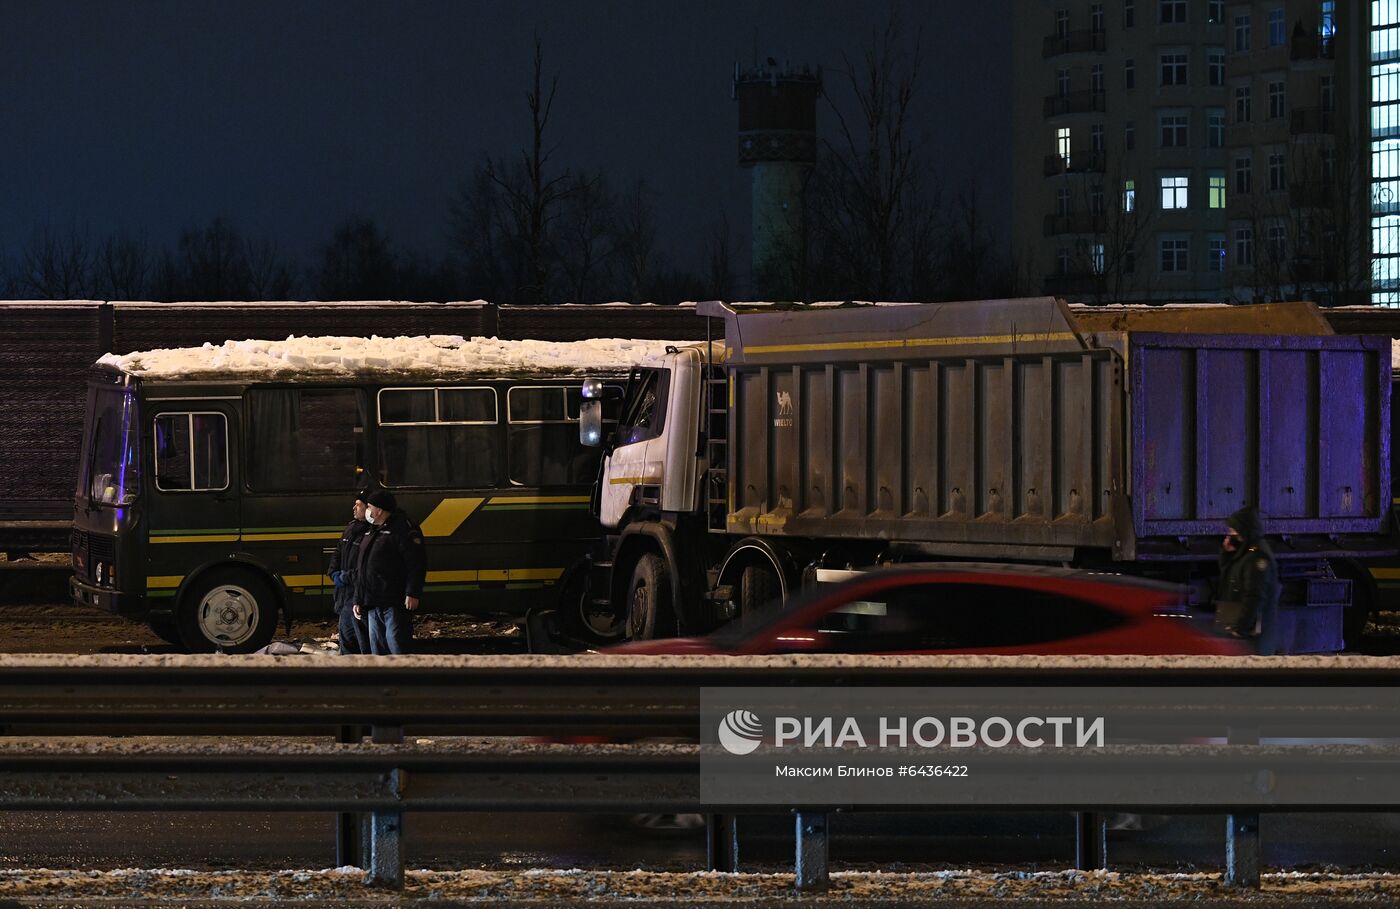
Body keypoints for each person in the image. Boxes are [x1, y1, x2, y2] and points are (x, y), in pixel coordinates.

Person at [352, 490, 426, 655]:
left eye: (369, 506)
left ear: (379, 510)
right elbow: (362, 568)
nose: (367, 510)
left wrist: (413, 592)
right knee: (377, 649)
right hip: (372, 601)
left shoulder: (402, 529)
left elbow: (416, 562)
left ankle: (402, 679)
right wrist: (358, 598)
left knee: (396, 645)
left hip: (394, 601)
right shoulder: (372, 530)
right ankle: (382, 679)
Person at [1214, 505, 1281, 655]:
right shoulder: (1244, 553)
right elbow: (1227, 574)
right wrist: (1226, 553)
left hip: (1252, 638)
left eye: (1233, 531)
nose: (1229, 535)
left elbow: (1255, 596)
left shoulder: (1257, 557)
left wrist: (1240, 628)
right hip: (1244, 634)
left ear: (1244, 532)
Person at [328, 491, 372, 654]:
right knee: (346, 639)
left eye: (358, 504)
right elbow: (338, 552)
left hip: (356, 595)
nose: (354, 507)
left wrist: (345, 577)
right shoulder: (351, 528)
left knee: (362, 641)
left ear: (368, 508)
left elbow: (366, 566)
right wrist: (333, 572)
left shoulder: (370, 533)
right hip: (345, 596)